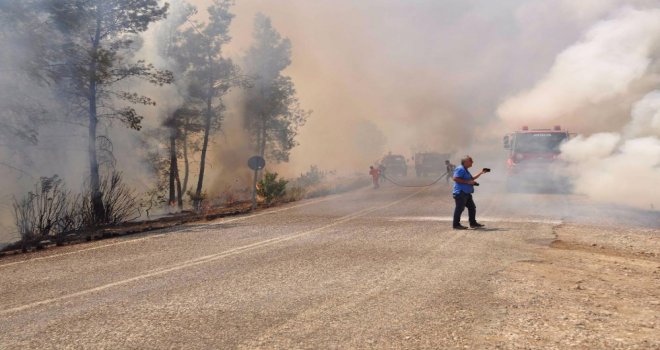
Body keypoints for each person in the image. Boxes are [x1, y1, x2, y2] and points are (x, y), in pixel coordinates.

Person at [452, 155, 488, 229]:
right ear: (465, 162)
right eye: (471, 161)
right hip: (460, 192)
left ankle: (473, 223)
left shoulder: (465, 169)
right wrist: (468, 182)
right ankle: (456, 225)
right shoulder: (460, 169)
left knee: (472, 207)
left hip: (466, 193)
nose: (472, 162)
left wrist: (481, 173)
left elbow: (471, 178)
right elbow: (455, 178)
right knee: (459, 208)